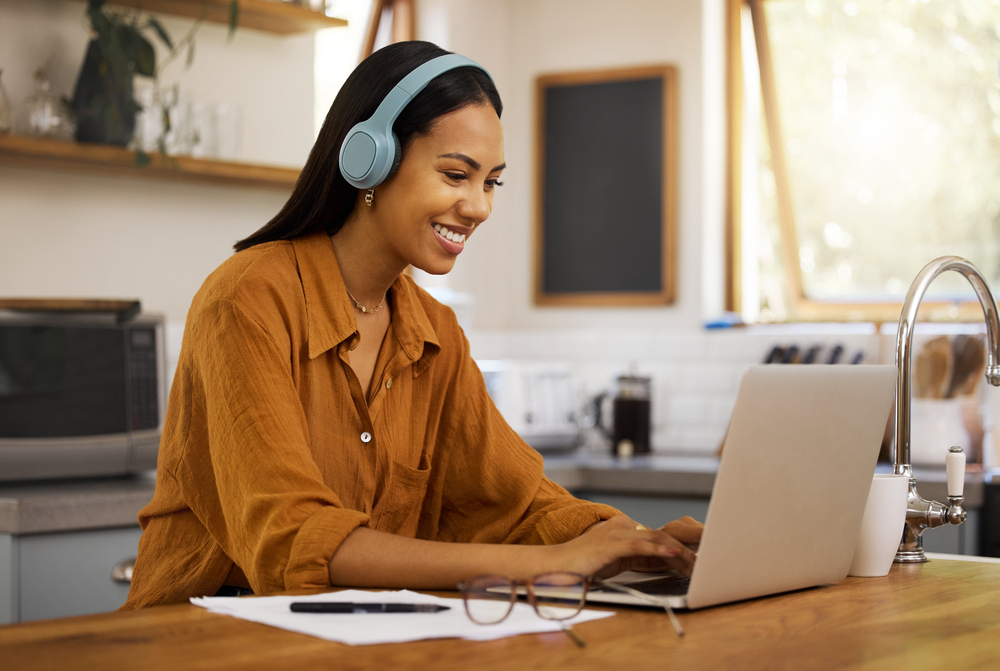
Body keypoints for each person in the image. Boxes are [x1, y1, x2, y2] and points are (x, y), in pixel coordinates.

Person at [121, 41, 702, 609]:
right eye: (456, 175)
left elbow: (517, 506)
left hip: (353, 636)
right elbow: (293, 538)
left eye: (491, 181)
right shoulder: (247, 298)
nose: (479, 207)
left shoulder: (435, 332)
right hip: (203, 636)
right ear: (369, 160)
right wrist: (540, 565)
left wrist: (638, 540)